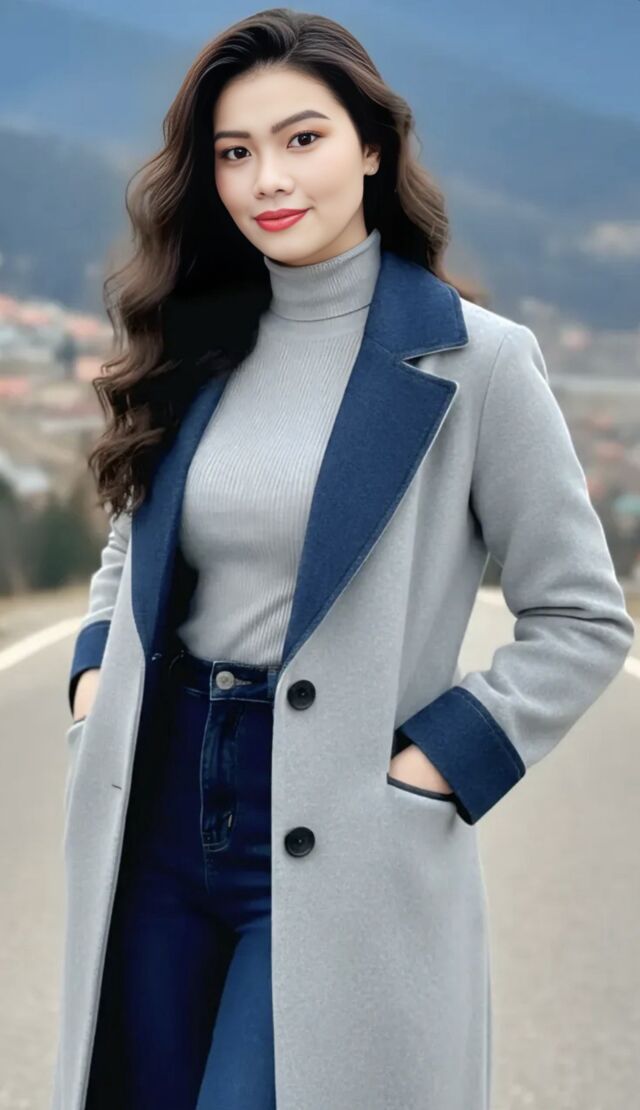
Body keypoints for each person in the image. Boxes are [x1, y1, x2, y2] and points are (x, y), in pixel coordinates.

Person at [52, 9, 635, 1110]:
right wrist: (93, 678)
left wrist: (431, 767)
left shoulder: (477, 362)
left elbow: (581, 617)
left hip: (342, 824)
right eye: (235, 152)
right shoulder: (196, 338)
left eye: (302, 139)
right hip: (156, 808)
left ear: (372, 146)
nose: (267, 178)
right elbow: (135, 534)